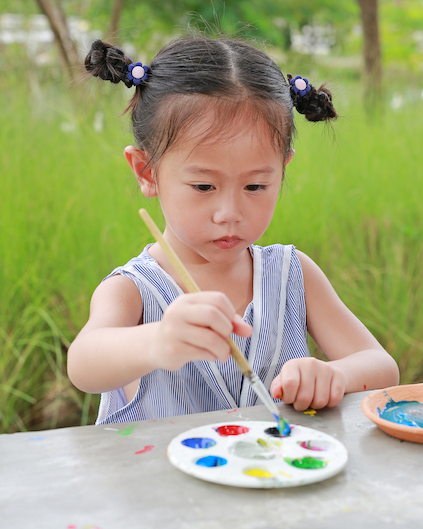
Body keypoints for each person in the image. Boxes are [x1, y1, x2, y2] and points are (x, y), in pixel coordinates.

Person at [68, 35, 399, 424]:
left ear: (282, 170)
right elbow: (84, 364)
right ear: (147, 171)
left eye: (255, 186)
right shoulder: (134, 290)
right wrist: (158, 341)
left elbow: (382, 367)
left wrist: (333, 375)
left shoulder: (293, 275)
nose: (229, 214)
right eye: (204, 187)